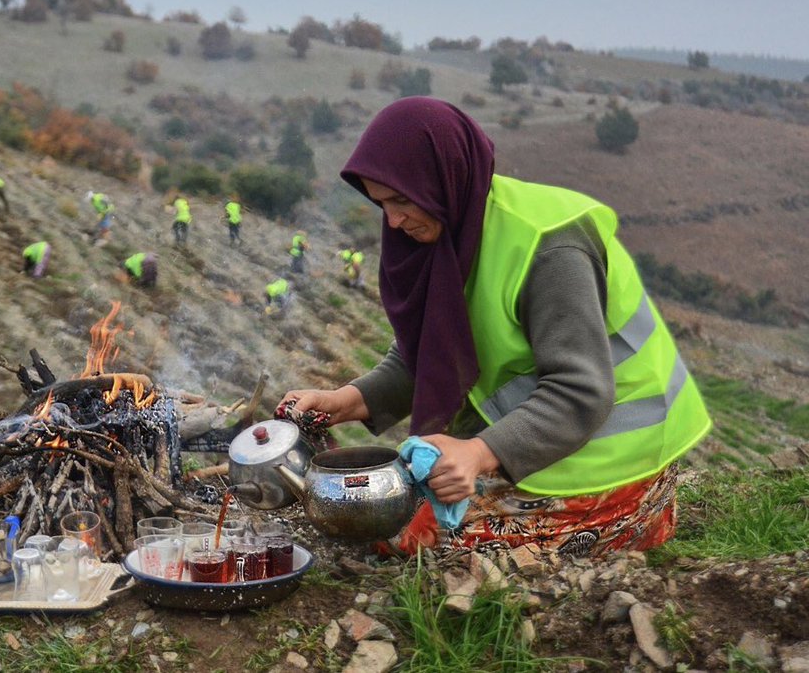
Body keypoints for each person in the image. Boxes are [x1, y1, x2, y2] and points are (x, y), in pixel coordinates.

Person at [280, 97, 711, 559]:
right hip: (542, 443)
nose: (394, 221)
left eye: (402, 200)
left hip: (615, 460)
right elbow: (426, 354)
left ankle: (627, 522)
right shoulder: (450, 228)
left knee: (421, 543)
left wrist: (478, 454)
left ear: (444, 179)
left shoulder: (549, 248)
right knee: (390, 514)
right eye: (381, 203)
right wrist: (343, 402)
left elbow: (581, 393)